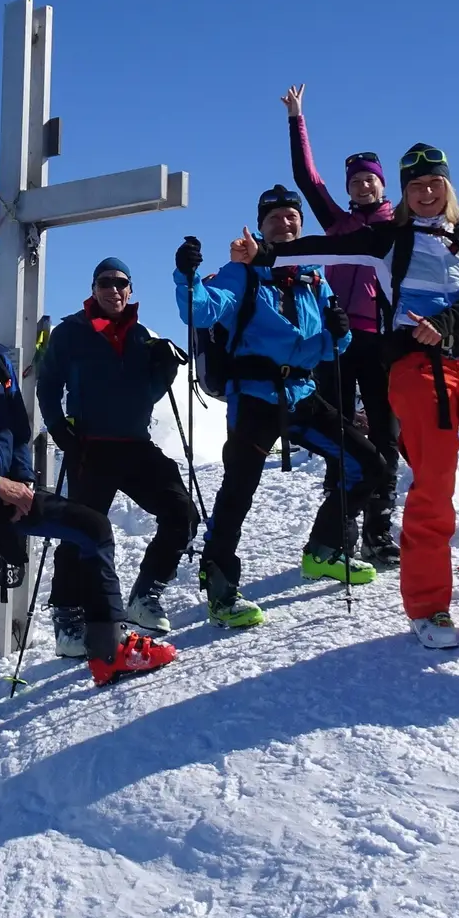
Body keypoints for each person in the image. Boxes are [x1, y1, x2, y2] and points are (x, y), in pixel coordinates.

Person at [248, 144, 459, 651]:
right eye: (415, 187)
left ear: (447, 186)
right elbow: (326, 249)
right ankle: (429, 604)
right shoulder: (389, 239)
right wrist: (264, 254)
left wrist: (447, 323)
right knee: (433, 482)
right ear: (405, 194)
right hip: (416, 364)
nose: (426, 192)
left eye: (434, 183)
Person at [0, 278, 176, 769]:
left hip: (7, 495)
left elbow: (19, 434)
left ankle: (107, 647)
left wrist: (23, 486)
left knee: (93, 528)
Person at [174, 185, 390, 630]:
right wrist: (187, 277)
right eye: (275, 218)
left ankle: (324, 550)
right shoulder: (244, 272)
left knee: (367, 464)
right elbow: (200, 311)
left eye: (292, 216)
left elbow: (333, 349)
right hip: (254, 396)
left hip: (302, 395)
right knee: (238, 491)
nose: (285, 223)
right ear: (261, 225)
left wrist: (341, 330)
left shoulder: (313, 275)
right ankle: (219, 582)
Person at [36, 257, 198, 650]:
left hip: (135, 444)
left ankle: (144, 596)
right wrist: (61, 431)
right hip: (91, 446)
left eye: (120, 283)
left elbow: (145, 396)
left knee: (182, 513)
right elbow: (48, 383)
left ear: (130, 290)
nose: (113, 289)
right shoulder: (71, 332)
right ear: (93, 289)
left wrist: (163, 373)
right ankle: (68, 619)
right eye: (105, 282)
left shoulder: (141, 335)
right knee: (80, 532)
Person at [283, 84, 401, 565]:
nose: (361, 186)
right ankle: (343, 527)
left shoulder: (399, 224)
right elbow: (307, 179)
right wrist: (297, 119)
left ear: (382, 184)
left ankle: (379, 528)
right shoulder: (336, 224)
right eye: (354, 181)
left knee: (386, 434)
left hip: (379, 341)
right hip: (335, 340)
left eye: (368, 180)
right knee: (342, 437)